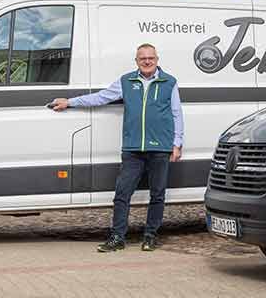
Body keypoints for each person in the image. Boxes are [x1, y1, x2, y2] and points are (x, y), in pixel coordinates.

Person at [50, 43, 184, 252]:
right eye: (142, 58)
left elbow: (177, 113)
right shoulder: (126, 81)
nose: (147, 61)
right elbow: (101, 97)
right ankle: (117, 237)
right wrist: (70, 102)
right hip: (133, 149)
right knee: (122, 194)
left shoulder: (170, 82)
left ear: (157, 59)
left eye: (151, 58)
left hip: (160, 148)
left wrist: (177, 143)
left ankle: (150, 236)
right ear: (137, 61)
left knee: (157, 195)